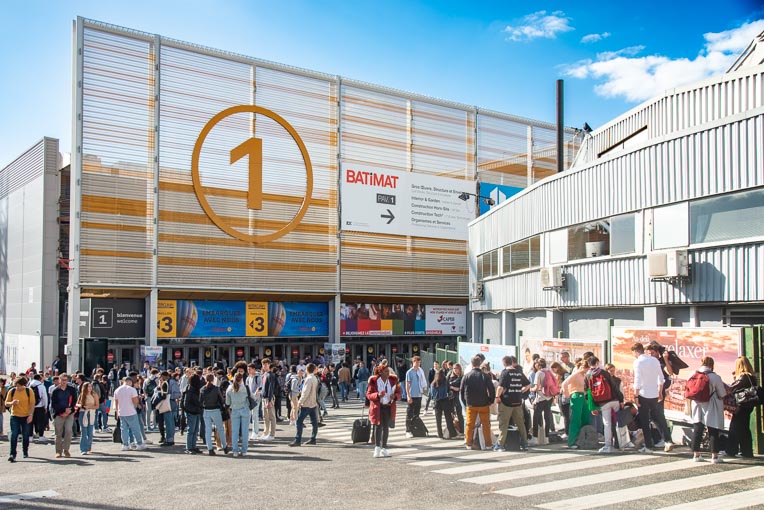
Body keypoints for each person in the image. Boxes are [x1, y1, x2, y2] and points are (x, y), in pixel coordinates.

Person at [631, 342, 674, 453]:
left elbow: (638, 380)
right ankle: (668, 440)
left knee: (645, 420)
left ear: (636, 352)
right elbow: (661, 378)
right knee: (658, 417)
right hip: (655, 394)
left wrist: (636, 395)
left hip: (643, 394)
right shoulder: (654, 361)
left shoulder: (637, 362)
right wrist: (660, 392)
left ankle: (649, 446)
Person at [690, 357, 727, 463]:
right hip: (712, 405)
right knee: (713, 430)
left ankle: (696, 455)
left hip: (696, 404)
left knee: (697, 428)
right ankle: (714, 456)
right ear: (711, 365)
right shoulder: (715, 377)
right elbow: (722, 393)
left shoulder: (693, 374)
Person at [586, 356, 623, 453]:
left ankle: (607, 445)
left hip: (602, 403)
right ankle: (621, 443)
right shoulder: (604, 373)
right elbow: (614, 387)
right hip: (614, 400)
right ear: (597, 362)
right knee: (619, 422)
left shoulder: (588, 375)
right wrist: (621, 400)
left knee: (607, 424)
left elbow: (588, 393)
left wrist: (592, 407)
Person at [496, 356, 531, 452]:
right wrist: (521, 391)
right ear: (511, 362)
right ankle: (525, 443)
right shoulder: (518, 372)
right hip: (517, 401)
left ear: (504, 363)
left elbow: (500, 387)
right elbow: (528, 384)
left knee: (503, 423)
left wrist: (497, 397)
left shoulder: (505, 373)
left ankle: (500, 444)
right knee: (520, 423)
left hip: (506, 402)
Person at [460, 355, 495, 450]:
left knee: (469, 424)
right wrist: (490, 400)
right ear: (480, 364)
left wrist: (465, 402)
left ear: (471, 364)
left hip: (471, 404)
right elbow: (491, 389)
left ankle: (468, 443)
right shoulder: (485, 376)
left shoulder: (466, 376)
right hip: (483, 403)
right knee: (486, 424)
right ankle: (488, 444)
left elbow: (462, 391)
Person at [367, 364, 401, 458]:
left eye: (388, 371)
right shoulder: (374, 381)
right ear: (380, 372)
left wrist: (395, 396)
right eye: (386, 371)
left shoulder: (393, 380)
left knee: (386, 428)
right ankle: (377, 448)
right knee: (378, 427)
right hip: (378, 407)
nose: (388, 373)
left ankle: (384, 448)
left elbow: (399, 393)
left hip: (388, 406)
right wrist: (377, 395)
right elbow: (369, 394)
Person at [727, 356, 758, 458]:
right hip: (749, 405)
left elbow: (732, 389)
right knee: (745, 428)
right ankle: (747, 451)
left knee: (734, 427)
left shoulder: (743, 377)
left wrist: (734, 378)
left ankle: (731, 450)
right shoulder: (752, 377)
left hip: (741, 405)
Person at [113, 376, 148, 451]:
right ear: (130, 382)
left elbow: (116, 402)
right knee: (135, 428)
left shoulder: (117, 390)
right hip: (131, 411)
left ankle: (125, 445)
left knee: (124, 429)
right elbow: (135, 401)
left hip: (121, 412)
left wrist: (117, 411)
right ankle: (139, 444)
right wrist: (137, 403)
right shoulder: (132, 389)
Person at [4, 376, 34, 462]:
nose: (18, 387)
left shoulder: (29, 391)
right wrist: (12, 403)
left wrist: (31, 415)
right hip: (15, 416)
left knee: (25, 434)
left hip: (26, 416)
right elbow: (6, 403)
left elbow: (32, 404)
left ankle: (25, 451)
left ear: (23, 385)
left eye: (19, 386)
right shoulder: (12, 391)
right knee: (14, 435)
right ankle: (12, 454)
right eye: (16, 386)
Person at [290, 363, 320, 447]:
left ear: (307, 370)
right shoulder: (314, 378)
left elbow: (305, 392)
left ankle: (297, 440)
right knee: (314, 422)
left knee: (299, 421)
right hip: (313, 403)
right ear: (313, 369)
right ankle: (313, 438)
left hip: (306, 404)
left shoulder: (308, 379)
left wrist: (299, 402)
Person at [50, 373, 78, 458]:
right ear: (59, 380)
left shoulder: (72, 389)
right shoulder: (55, 391)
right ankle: (58, 451)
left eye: (65, 380)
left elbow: (74, 401)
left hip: (69, 413)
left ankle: (66, 450)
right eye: (62, 380)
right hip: (59, 414)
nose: (64, 382)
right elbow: (54, 404)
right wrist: (63, 411)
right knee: (58, 433)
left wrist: (69, 410)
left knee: (69, 431)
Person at [561, 360, 588, 449]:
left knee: (585, 418)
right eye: (584, 368)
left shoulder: (584, 375)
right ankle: (571, 441)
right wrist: (567, 395)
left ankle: (582, 439)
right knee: (576, 419)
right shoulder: (576, 374)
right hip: (576, 395)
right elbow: (565, 383)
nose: (585, 370)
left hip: (582, 396)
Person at [201, 373, 229, 455]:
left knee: (208, 430)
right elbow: (221, 400)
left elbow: (200, 401)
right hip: (215, 410)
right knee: (220, 429)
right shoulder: (216, 389)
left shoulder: (202, 389)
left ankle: (210, 448)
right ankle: (225, 446)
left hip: (206, 410)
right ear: (213, 380)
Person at [226, 373, 249, 456]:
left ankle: (235, 450)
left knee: (235, 431)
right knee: (245, 431)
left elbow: (227, 402)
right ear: (242, 379)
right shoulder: (245, 388)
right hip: (245, 410)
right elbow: (252, 397)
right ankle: (244, 450)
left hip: (234, 410)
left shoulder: (229, 389)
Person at [430, 369, 457, 439]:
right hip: (445, 400)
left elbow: (431, 395)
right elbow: (448, 391)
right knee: (448, 418)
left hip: (436, 401)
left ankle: (440, 434)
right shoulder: (445, 382)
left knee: (438, 419)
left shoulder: (433, 384)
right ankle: (452, 433)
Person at [405, 356, 427, 438]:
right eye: (416, 362)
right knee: (409, 413)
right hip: (412, 395)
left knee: (416, 414)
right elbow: (407, 384)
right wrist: (408, 395)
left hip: (419, 394)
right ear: (413, 362)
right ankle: (408, 430)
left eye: (419, 362)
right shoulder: (409, 372)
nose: (418, 364)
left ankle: (415, 429)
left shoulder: (420, 371)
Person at [181, 373, 204, 454]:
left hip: (195, 411)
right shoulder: (190, 390)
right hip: (192, 412)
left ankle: (193, 446)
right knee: (191, 430)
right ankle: (189, 447)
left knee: (195, 430)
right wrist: (195, 409)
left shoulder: (193, 388)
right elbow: (186, 404)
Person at [76, 382, 99, 455]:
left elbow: (97, 406)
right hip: (83, 413)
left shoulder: (94, 395)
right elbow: (77, 404)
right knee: (84, 431)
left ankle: (89, 446)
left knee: (90, 432)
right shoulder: (82, 395)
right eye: (88, 387)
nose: (90, 388)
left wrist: (89, 407)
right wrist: (82, 406)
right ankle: (83, 449)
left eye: (90, 387)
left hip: (91, 413)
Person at [258, 358, 277, 441]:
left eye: (266, 364)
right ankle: (265, 432)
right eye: (263, 364)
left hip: (268, 398)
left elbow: (271, 388)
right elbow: (264, 386)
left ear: (269, 365)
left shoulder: (271, 375)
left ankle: (272, 434)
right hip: (263, 397)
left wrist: (269, 400)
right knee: (265, 417)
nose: (264, 366)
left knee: (271, 416)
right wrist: (259, 389)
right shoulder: (264, 374)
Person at [29, 374, 49, 444]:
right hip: (40, 407)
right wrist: (46, 406)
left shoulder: (29, 385)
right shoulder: (41, 386)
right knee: (40, 422)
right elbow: (45, 397)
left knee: (31, 422)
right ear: (39, 379)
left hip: (30, 407)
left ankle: (30, 436)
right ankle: (40, 436)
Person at [158, 371, 175, 446]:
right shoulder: (167, 382)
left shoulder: (170, 383)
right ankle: (170, 438)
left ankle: (170, 439)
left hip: (169, 403)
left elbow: (177, 394)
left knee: (169, 422)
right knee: (169, 421)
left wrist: (168, 396)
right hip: (169, 402)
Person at [246, 363, 262, 440]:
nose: (248, 370)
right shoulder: (248, 378)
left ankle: (255, 432)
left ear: (254, 369)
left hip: (256, 399)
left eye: (249, 369)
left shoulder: (258, 377)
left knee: (255, 415)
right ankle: (251, 432)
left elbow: (260, 386)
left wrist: (256, 392)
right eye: (248, 369)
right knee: (249, 415)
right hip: (249, 399)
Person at [448, 363, 465, 434]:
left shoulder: (461, 377)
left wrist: (452, 387)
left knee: (459, 414)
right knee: (451, 414)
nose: (455, 370)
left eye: (456, 368)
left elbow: (460, 389)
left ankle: (462, 429)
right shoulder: (450, 376)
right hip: (450, 398)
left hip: (458, 398)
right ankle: (452, 430)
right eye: (454, 368)